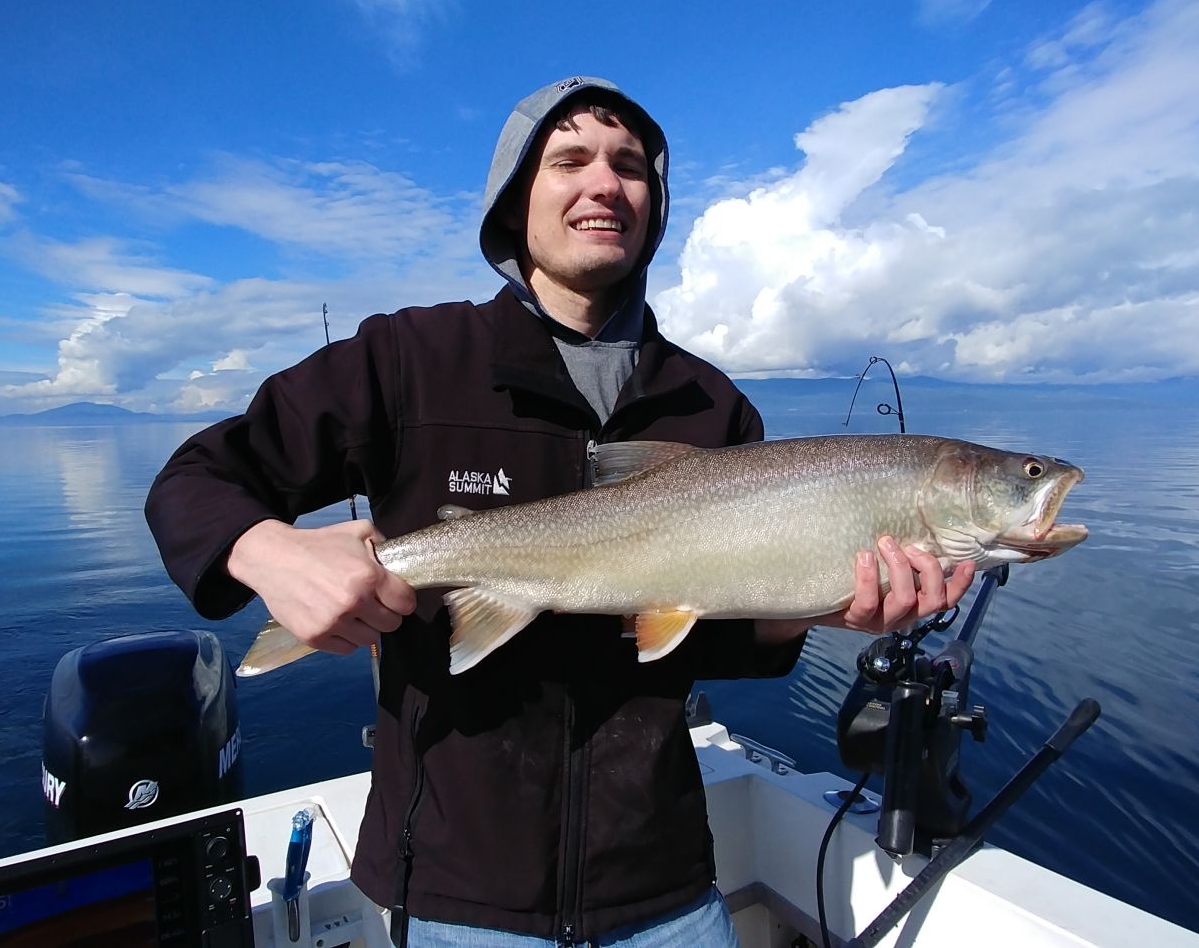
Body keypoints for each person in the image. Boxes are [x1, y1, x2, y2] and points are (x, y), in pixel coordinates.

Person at [145, 76, 976, 947]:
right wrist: (268, 551)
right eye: (569, 159)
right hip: (457, 897)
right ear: (517, 201)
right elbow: (197, 477)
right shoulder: (409, 357)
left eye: (630, 167)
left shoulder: (714, 407)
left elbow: (707, 635)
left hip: (664, 890)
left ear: (653, 207)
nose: (604, 183)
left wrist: (818, 607)